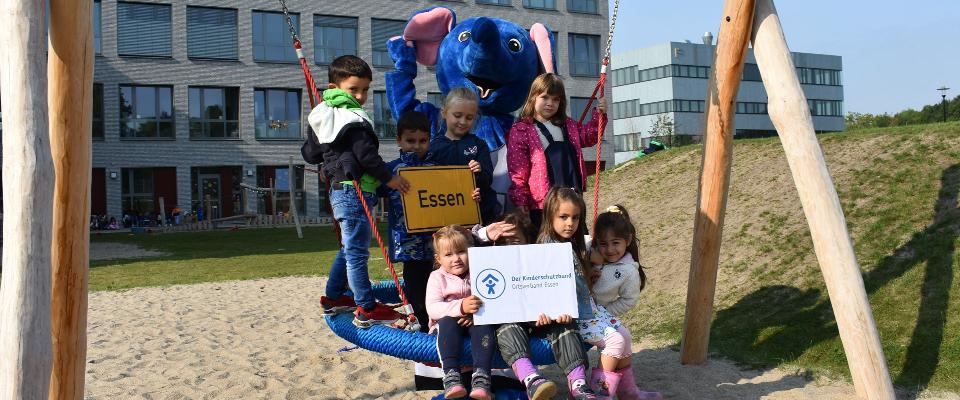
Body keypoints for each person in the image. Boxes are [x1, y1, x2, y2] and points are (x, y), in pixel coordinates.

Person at [309, 55, 411, 328]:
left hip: (339, 189)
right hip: (354, 189)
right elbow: (366, 155)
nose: (361, 96)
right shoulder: (351, 117)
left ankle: (334, 296)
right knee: (356, 252)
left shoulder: (325, 113)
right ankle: (366, 306)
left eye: (365, 89)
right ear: (335, 85)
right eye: (354, 89)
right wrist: (388, 178)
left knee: (348, 247)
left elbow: (311, 152)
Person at [495, 188, 601, 400]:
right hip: (518, 321)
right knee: (506, 325)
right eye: (564, 217)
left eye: (575, 218)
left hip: (547, 318)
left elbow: (549, 288)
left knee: (566, 326)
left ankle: (578, 383)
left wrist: (559, 309)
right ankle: (532, 379)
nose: (570, 223)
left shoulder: (554, 250)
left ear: (527, 240)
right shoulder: (497, 266)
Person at [507, 73, 606, 228]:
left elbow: (589, 137)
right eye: (545, 97)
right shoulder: (522, 130)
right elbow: (518, 170)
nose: (550, 103)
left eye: (556, 99)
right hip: (543, 204)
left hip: (572, 200)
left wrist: (599, 116)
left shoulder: (569, 126)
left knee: (576, 243)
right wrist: (521, 202)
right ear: (533, 98)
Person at [583, 204, 661, 399]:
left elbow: (628, 300)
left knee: (625, 335)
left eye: (615, 243)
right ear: (596, 241)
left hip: (598, 314)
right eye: (603, 243)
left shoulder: (627, 271)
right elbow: (577, 242)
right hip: (580, 312)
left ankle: (628, 392)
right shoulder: (589, 248)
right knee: (616, 341)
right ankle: (600, 394)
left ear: (628, 240)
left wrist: (604, 311)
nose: (609, 249)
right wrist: (589, 257)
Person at [379, 110, 437, 332]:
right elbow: (373, 187)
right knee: (414, 287)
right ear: (399, 141)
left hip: (433, 243)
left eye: (423, 141)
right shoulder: (392, 170)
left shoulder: (436, 167)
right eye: (410, 141)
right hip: (407, 243)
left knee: (435, 285)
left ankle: (436, 324)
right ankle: (420, 323)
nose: (416, 146)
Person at [426, 225, 495, 400]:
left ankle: (481, 378)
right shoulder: (437, 277)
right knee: (447, 322)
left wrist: (474, 314)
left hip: (475, 322)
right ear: (439, 259)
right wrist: (461, 307)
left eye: (461, 252)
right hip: (446, 327)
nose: (456, 259)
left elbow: (492, 299)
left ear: (470, 251)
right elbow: (433, 308)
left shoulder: (479, 273)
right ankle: (451, 376)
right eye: (448, 255)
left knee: (484, 326)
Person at [430, 88, 502, 225]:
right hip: (445, 217)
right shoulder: (433, 147)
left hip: (481, 215)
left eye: (469, 118)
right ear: (444, 113)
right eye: (457, 115)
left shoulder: (479, 145)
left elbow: (487, 178)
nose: (463, 122)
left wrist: (479, 172)